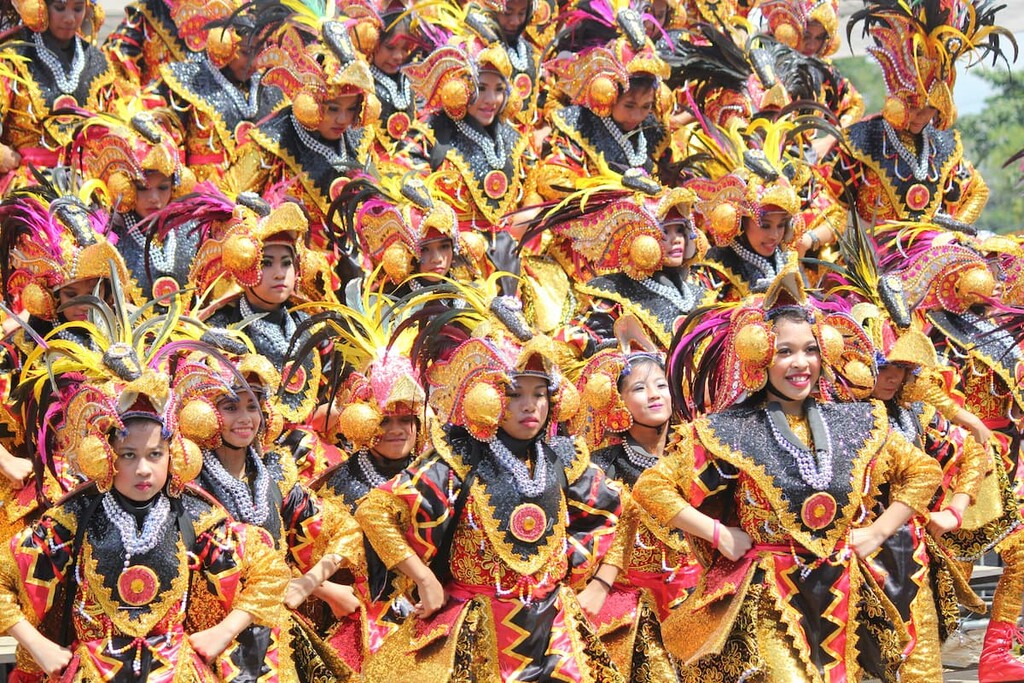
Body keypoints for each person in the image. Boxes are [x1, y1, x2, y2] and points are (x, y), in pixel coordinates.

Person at [631, 271, 943, 682]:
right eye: (785, 351)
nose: (801, 363)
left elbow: (924, 470)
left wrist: (877, 532)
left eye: (811, 350)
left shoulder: (856, 420)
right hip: (768, 594)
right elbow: (652, 487)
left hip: (842, 589)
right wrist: (718, 533)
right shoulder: (728, 429)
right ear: (759, 356)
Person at [0, 311, 289, 682]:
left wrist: (223, 632)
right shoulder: (75, 518)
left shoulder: (193, 516)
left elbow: (270, 572)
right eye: (128, 455)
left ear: (174, 456)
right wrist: (37, 645)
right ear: (105, 456)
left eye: (155, 455)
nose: (142, 470)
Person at [356, 295, 624, 681]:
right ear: (487, 398)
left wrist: (600, 583)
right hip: (476, 632)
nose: (530, 406)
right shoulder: (459, 457)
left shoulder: (563, 456)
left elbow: (620, 511)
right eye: (515, 395)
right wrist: (426, 580)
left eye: (539, 393)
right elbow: (375, 511)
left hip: (555, 634)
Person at [174, 353, 360, 681]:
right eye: (230, 406)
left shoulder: (274, 475)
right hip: (209, 641)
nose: (245, 418)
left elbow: (343, 530)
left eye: (253, 405)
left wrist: (312, 582)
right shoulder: (185, 485)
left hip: (275, 639)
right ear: (203, 413)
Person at [572, 346, 700, 680]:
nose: (654, 395)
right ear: (618, 402)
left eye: (661, 385)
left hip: (696, 594)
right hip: (628, 602)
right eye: (639, 389)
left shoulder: (697, 452)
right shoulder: (599, 466)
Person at [219, 22, 379, 246]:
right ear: (310, 103)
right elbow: (227, 197)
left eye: (351, 108)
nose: (343, 119)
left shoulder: (359, 139)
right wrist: (263, 220)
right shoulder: (272, 141)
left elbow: (376, 204)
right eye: (333, 108)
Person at [158, 0, 285, 182]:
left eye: (259, 52)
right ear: (225, 45)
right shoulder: (186, 82)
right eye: (246, 52)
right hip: (200, 198)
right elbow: (167, 139)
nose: (254, 62)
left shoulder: (274, 90)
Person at [0, 0, 115, 191]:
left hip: (88, 185)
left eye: (78, 9)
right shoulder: (12, 57)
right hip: (26, 185)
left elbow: (115, 125)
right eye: (60, 8)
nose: (69, 19)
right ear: (41, 7)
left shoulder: (99, 62)